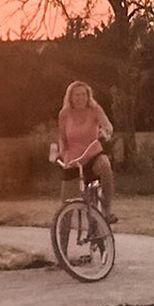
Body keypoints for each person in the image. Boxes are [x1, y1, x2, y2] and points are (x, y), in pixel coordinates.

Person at [57, 80, 116, 223]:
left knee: (105, 166)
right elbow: (62, 137)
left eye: (83, 94)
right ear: (70, 97)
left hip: (93, 155)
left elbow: (107, 125)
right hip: (73, 160)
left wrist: (106, 132)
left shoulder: (95, 109)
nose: (80, 98)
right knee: (66, 206)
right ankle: (61, 237)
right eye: (77, 95)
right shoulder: (64, 114)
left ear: (88, 96)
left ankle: (107, 211)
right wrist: (62, 154)